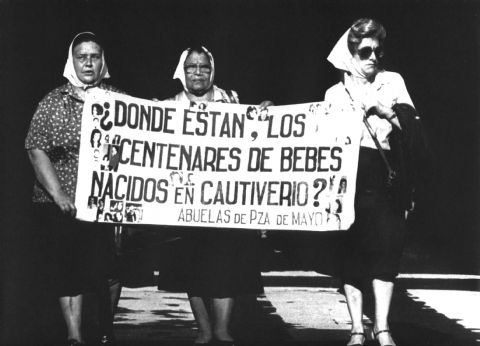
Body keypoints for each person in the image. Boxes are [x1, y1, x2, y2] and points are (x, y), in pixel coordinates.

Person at [164, 46, 272, 346]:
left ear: (212, 70)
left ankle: (222, 330)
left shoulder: (232, 100)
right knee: (192, 266)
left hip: (225, 200)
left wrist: (266, 113)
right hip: (186, 200)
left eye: (203, 67)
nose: (197, 73)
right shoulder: (167, 106)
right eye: (191, 67)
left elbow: (253, 134)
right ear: (182, 71)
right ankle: (204, 330)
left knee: (226, 265)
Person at [25, 32, 122, 346]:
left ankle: (105, 330)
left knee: (108, 270)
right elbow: (35, 148)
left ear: (102, 60)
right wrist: (59, 195)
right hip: (64, 205)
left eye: (94, 56)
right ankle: (75, 336)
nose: (89, 63)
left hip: (105, 203)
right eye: (82, 57)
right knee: (70, 271)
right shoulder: (54, 101)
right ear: (73, 61)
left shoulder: (118, 100)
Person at [324, 18, 416, 346]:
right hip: (349, 177)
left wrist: (387, 113)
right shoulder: (334, 93)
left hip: (384, 173)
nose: (373, 57)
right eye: (365, 51)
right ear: (350, 54)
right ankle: (356, 330)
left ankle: (383, 327)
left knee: (386, 252)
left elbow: (413, 132)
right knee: (351, 254)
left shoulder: (392, 82)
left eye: (377, 50)